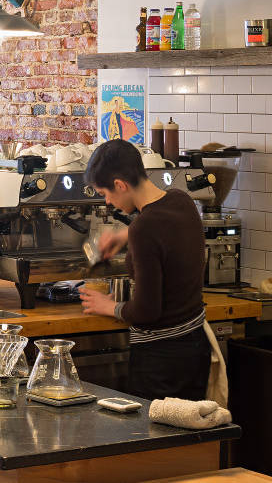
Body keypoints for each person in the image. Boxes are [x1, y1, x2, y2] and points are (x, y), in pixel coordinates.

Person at [79, 139, 209, 401]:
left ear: (120, 185)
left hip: (161, 361)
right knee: (190, 427)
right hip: (195, 347)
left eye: (105, 193)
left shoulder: (143, 228)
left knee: (155, 428)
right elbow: (162, 229)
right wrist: (124, 234)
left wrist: (109, 306)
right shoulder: (181, 200)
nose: (107, 202)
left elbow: (147, 311)